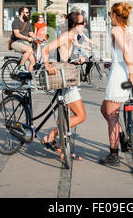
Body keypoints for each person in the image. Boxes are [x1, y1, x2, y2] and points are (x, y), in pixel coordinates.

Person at [41, 12, 88, 161]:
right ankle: (51, 136)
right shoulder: (65, 37)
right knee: (81, 116)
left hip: (68, 79)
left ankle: (63, 150)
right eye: (82, 23)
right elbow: (45, 50)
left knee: (66, 117)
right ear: (74, 25)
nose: (84, 25)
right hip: (65, 82)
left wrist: (77, 60)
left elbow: (65, 58)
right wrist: (47, 66)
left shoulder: (72, 37)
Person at [99, 3, 133, 166]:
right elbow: (122, 53)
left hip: (120, 76)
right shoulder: (126, 30)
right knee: (105, 110)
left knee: (112, 116)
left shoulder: (115, 30)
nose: (109, 16)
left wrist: (130, 71)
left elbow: (126, 51)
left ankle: (114, 154)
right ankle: (123, 138)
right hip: (120, 69)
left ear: (115, 15)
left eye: (110, 13)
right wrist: (114, 63)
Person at [10, 7, 36, 72]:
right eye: (27, 12)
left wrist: (38, 38)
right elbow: (17, 34)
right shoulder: (16, 22)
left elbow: (31, 33)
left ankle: (29, 79)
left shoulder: (27, 22)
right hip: (15, 42)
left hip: (24, 43)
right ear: (22, 13)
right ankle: (20, 67)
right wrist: (27, 38)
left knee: (33, 61)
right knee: (29, 49)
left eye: (28, 13)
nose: (28, 14)